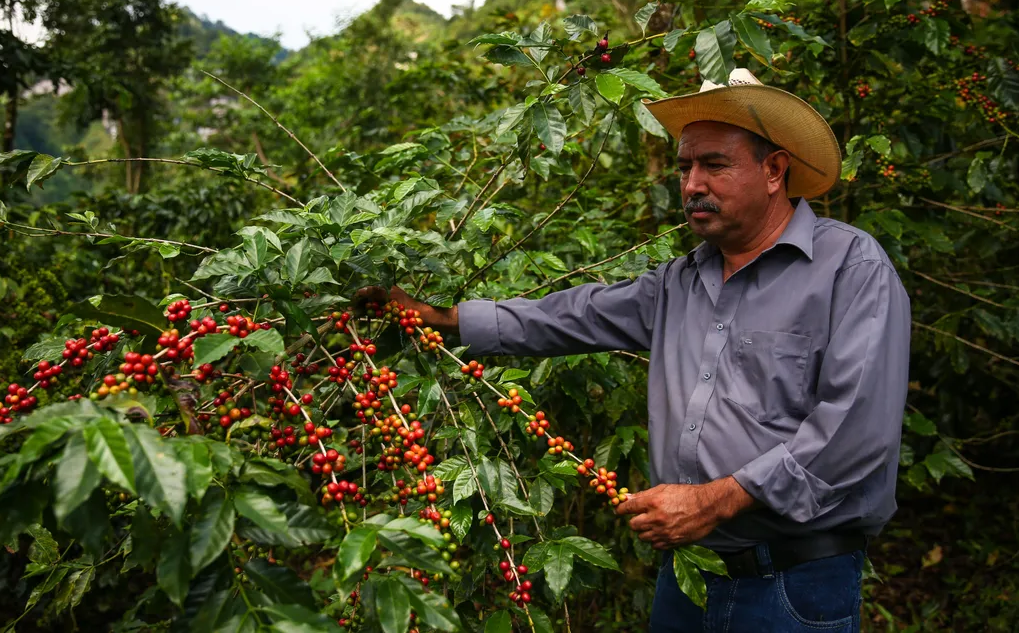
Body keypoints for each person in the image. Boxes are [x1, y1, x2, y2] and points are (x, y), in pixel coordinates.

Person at [363, 68, 910, 632]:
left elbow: (855, 432)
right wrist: (444, 318)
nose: (693, 183)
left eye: (714, 165)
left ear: (774, 170)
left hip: (794, 581)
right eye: (684, 167)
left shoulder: (850, 268)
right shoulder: (680, 282)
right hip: (690, 574)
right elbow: (571, 315)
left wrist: (715, 500)